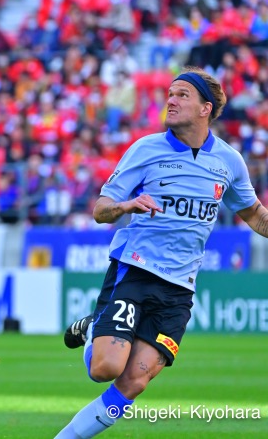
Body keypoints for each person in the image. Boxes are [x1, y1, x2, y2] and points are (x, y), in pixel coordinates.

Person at [55, 67, 268, 438]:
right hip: (135, 271)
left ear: (206, 108)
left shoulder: (229, 162)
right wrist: (125, 206)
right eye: (170, 93)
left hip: (178, 290)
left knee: (134, 381)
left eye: (182, 95)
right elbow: (100, 209)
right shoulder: (145, 149)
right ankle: (94, 327)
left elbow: (253, 214)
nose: (171, 100)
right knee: (105, 368)